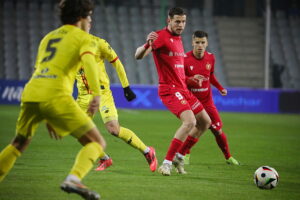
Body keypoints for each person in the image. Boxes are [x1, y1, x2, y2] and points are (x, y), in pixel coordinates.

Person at [0, 0, 105, 199]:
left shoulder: (48, 38)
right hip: (56, 95)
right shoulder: (84, 38)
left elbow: (38, 69)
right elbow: (89, 63)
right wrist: (96, 94)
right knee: (97, 142)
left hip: (32, 93)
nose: (90, 21)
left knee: (18, 143)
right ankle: (74, 179)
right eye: (89, 16)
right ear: (82, 16)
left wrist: (49, 115)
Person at [135, 7, 211, 176]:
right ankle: (167, 163)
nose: (181, 25)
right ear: (169, 20)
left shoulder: (179, 39)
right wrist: (147, 44)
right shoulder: (160, 36)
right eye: (177, 21)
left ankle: (179, 156)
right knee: (190, 122)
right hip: (169, 90)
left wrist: (191, 80)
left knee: (205, 122)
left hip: (183, 88)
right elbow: (138, 56)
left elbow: (178, 70)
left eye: (183, 21)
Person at [75, 34, 157, 172]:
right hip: (84, 96)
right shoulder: (67, 46)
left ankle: (147, 151)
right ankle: (104, 159)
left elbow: (117, 63)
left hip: (102, 93)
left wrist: (126, 87)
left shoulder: (99, 43)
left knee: (113, 129)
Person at [184, 30, 240, 165]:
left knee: (217, 129)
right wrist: (191, 79)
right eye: (197, 42)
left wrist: (220, 88)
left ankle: (228, 157)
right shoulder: (185, 59)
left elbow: (211, 76)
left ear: (207, 43)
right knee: (195, 127)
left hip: (207, 102)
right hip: (192, 101)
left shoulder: (211, 58)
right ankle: (185, 154)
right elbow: (180, 79)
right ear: (192, 42)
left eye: (202, 42)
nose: (200, 45)